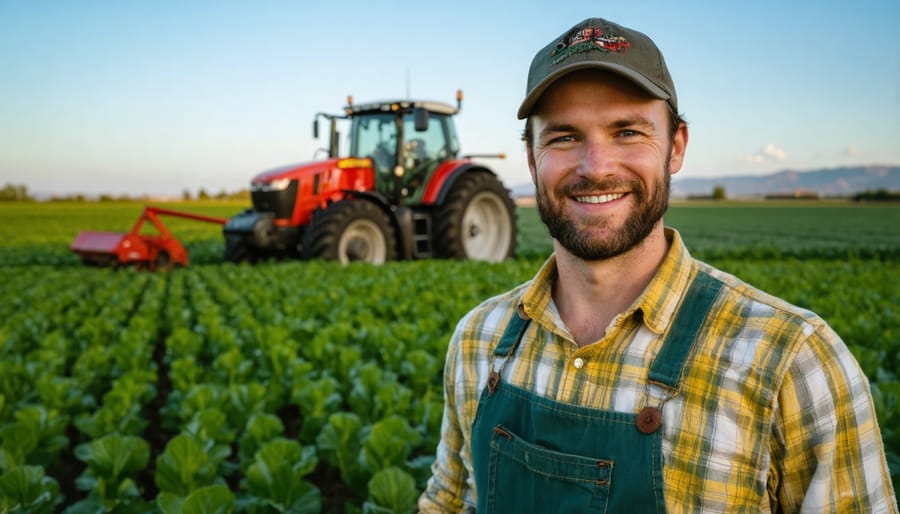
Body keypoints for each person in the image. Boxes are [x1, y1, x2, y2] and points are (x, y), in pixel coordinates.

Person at [418, 17, 898, 513]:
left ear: (677, 146)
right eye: (563, 137)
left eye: (627, 131)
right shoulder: (478, 341)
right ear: (531, 157)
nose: (596, 167)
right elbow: (447, 503)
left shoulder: (792, 364)